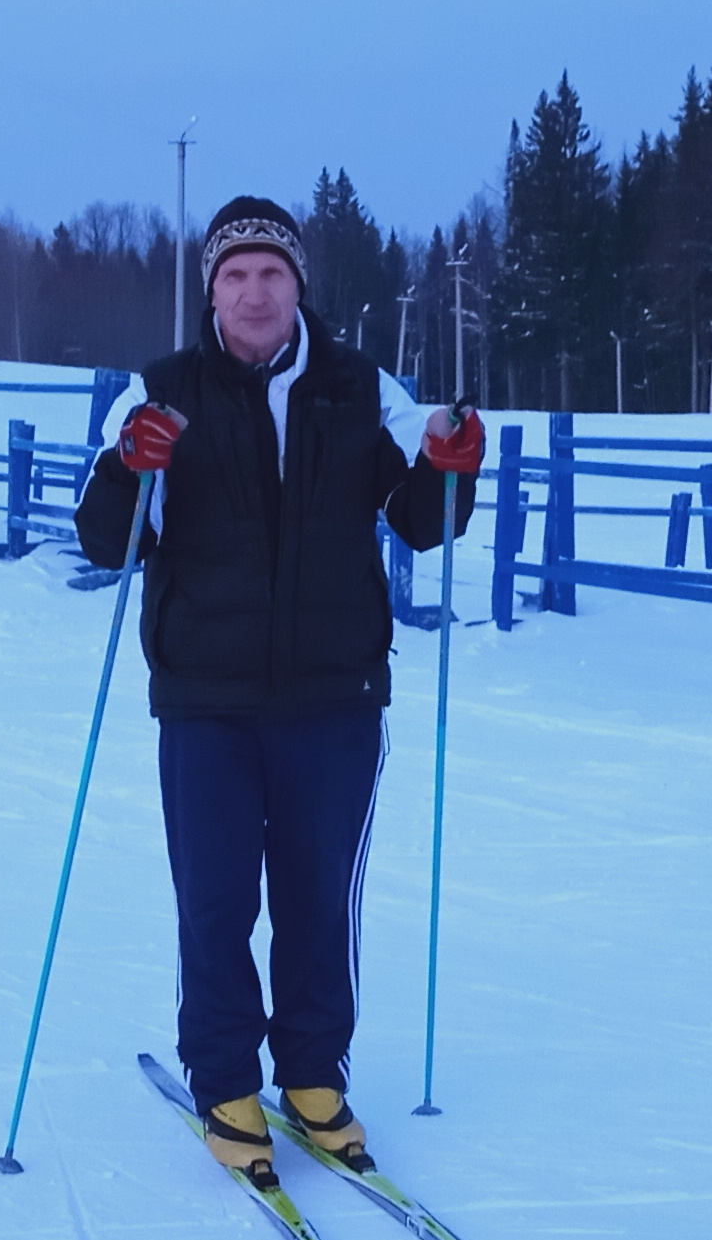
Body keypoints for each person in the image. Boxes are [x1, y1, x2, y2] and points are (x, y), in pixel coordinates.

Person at [74, 195, 484, 1187]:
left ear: (298, 284)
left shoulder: (360, 388)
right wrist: (133, 469)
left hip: (335, 696)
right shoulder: (162, 390)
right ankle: (223, 1082)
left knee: (318, 902)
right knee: (214, 901)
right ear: (211, 289)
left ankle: (310, 1078)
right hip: (205, 701)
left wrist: (450, 465)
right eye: (234, 275)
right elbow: (101, 536)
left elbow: (423, 522)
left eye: (271, 273)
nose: (254, 292)